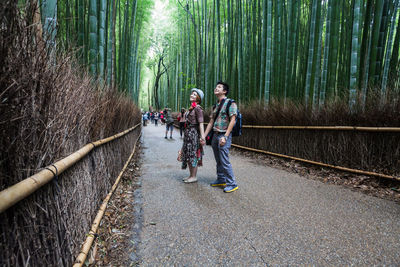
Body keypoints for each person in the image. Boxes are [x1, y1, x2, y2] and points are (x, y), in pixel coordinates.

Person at [203, 81, 238, 193]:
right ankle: (221, 179)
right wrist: (203, 136)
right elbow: (211, 122)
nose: (216, 88)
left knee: (224, 160)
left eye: (219, 87)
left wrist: (226, 136)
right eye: (216, 87)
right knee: (218, 160)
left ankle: (232, 183)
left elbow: (233, 120)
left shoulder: (230, 103)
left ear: (224, 91)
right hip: (215, 134)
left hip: (223, 135)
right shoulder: (216, 105)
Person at [180, 88, 205, 183]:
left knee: (193, 154)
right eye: (192, 94)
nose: (192, 95)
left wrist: (202, 137)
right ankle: (191, 175)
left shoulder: (198, 108)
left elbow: (201, 123)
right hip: (188, 134)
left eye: (194, 94)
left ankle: (194, 176)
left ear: (198, 98)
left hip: (193, 134)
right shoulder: (191, 108)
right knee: (188, 154)